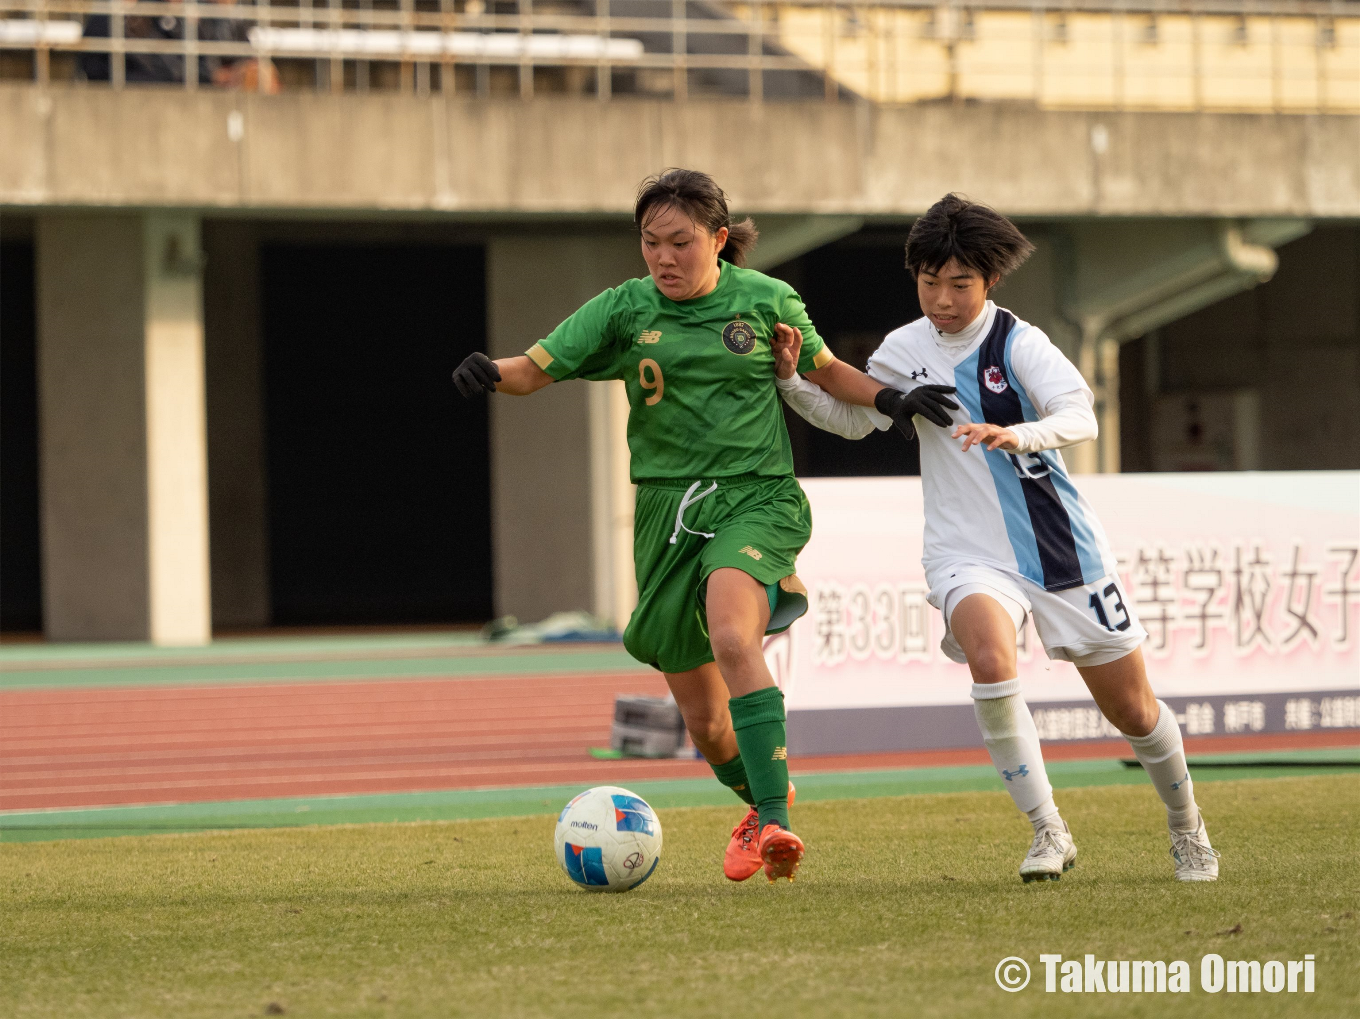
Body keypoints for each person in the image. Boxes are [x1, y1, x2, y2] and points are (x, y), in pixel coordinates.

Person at [770, 193, 1221, 883]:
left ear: (990, 282)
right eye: (929, 282)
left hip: (1059, 546)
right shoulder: (903, 348)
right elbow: (857, 419)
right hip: (966, 551)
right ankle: (1048, 830)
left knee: (1133, 708)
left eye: (959, 284)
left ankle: (1187, 824)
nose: (942, 299)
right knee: (988, 656)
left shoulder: (1019, 342)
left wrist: (1018, 434)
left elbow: (1081, 415)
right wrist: (790, 381)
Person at [452, 168, 886, 882]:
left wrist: (895, 398)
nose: (663, 257)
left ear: (718, 239)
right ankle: (757, 804)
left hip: (755, 499)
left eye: (680, 242)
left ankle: (777, 819)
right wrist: (487, 371)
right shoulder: (625, 310)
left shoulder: (767, 300)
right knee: (706, 722)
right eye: (651, 242)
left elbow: (831, 371)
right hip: (665, 512)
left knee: (731, 632)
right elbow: (533, 369)